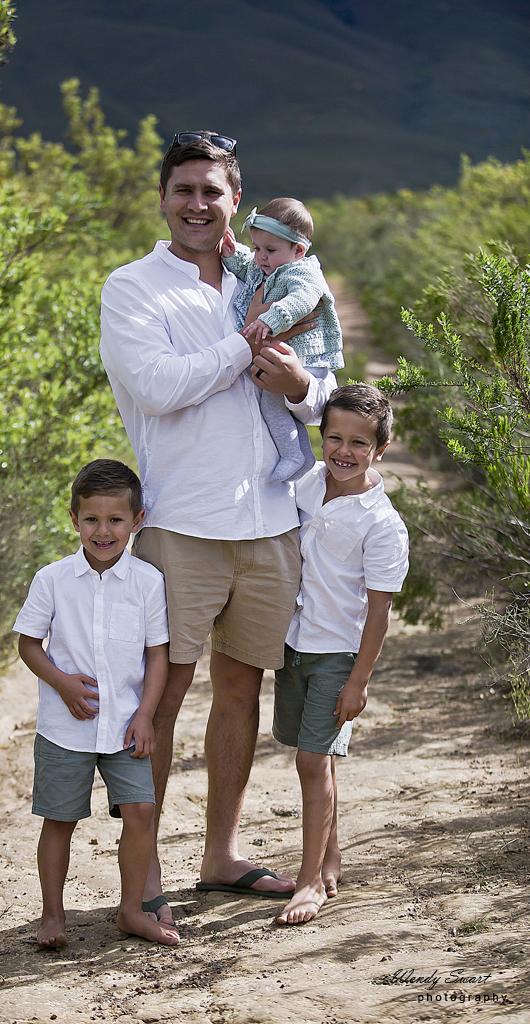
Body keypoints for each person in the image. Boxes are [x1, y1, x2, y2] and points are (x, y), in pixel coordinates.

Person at [99, 131, 339, 924]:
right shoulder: (133, 287)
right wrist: (245, 345)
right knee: (160, 700)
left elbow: (322, 394)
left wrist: (298, 384)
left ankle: (220, 856)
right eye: (184, 190)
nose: (197, 204)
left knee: (240, 691)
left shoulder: (272, 277)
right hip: (180, 522)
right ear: (163, 198)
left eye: (212, 191)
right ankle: (141, 880)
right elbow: (160, 387)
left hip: (270, 521)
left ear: (236, 200)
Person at [13, 460, 180, 948]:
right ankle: (52, 916)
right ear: (74, 519)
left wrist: (146, 715)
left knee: (141, 812)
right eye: (91, 519)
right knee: (59, 821)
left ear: (137, 520)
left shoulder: (147, 582)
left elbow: (157, 654)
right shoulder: (53, 579)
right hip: (65, 728)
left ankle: (131, 910)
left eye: (115, 520)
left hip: (127, 725)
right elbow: (28, 644)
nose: (103, 531)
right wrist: (63, 683)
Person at [272, 383, 409, 926]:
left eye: (359, 443)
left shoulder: (382, 524)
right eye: (334, 438)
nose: (343, 451)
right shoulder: (306, 484)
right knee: (319, 757)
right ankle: (330, 855)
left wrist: (359, 681)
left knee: (310, 761)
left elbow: (379, 611)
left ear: (380, 450)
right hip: (294, 646)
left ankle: (308, 881)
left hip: (338, 654)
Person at [221, 198, 343, 483]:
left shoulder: (303, 273)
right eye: (256, 248)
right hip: (289, 353)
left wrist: (269, 320)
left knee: (271, 403)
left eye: (270, 250)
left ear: (298, 250)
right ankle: (301, 455)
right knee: (277, 406)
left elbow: (301, 301)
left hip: (304, 355)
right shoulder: (270, 267)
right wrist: (231, 254)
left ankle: (293, 455)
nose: (260, 257)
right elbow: (247, 267)